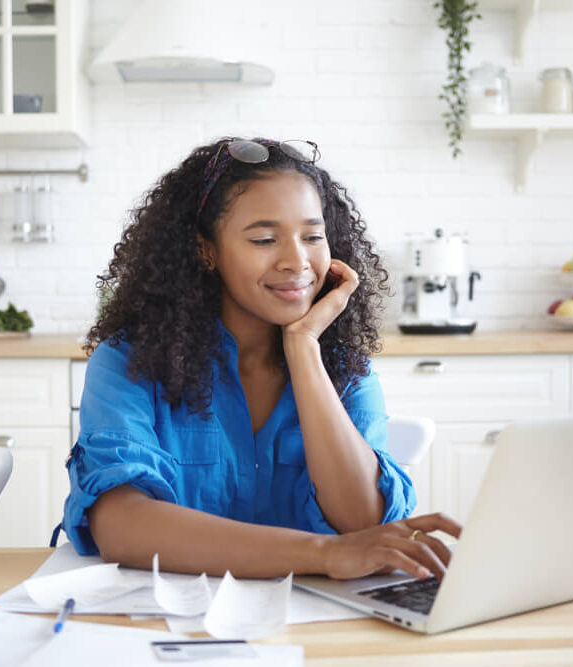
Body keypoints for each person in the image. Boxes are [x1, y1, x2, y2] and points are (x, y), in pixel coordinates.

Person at [59, 137, 461, 580]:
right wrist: (324, 553)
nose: (297, 261)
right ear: (206, 250)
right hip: (169, 621)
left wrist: (304, 348)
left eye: (312, 236)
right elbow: (122, 526)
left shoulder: (346, 370)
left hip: (320, 627)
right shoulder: (127, 363)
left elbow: (364, 523)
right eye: (265, 239)